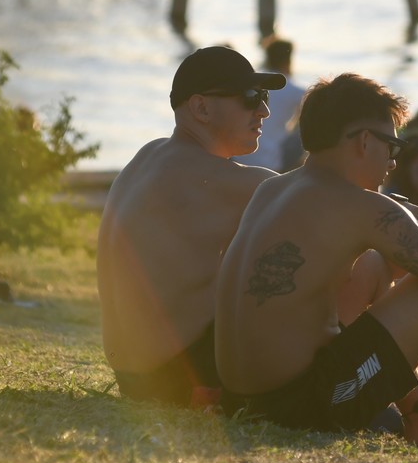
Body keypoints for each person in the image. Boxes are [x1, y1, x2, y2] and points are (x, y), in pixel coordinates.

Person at [215, 73, 418, 454]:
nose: (393, 161)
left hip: (240, 401)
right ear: (363, 141)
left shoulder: (272, 189)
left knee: (390, 266)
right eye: (392, 146)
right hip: (299, 407)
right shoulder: (360, 205)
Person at [97, 46, 287, 406]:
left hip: (135, 377)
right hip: (182, 378)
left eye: (263, 97)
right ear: (201, 108)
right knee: (357, 266)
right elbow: (324, 207)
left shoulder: (148, 156)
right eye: (250, 97)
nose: (264, 111)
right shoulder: (231, 181)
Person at [235, 37, 306, 172]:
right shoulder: (295, 91)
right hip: (273, 162)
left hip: (239, 158)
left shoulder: (251, 82)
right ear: (289, 60)